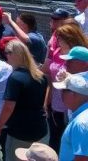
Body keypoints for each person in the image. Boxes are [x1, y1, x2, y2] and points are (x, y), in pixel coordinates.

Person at [0, 41, 48, 160]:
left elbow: (8, 107)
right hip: (40, 130)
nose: (5, 56)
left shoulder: (15, 78)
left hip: (21, 132)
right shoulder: (41, 76)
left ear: (15, 55)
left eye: (7, 53)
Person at [46, 21, 88, 152]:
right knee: (59, 141)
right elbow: (50, 78)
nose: (57, 40)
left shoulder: (82, 121)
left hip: (71, 110)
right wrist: (47, 101)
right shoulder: (58, 52)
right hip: (59, 107)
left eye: (61, 38)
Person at [52, 73, 88, 161]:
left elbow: (82, 159)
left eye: (64, 90)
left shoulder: (80, 123)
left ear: (74, 94)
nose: (60, 94)